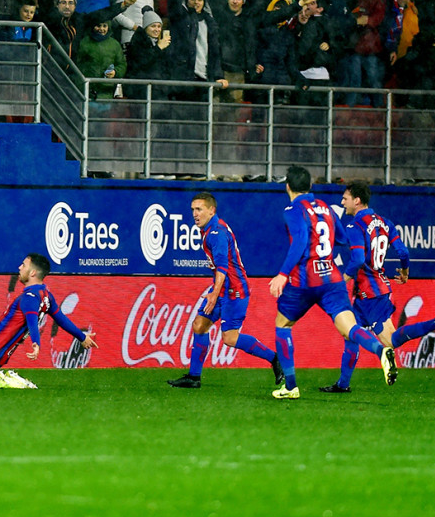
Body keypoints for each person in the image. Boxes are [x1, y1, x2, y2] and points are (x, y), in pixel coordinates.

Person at [267, 165, 398, 399]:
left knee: (282, 325)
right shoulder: (326, 208)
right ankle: (380, 350)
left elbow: (299, 241)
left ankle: (291, 386)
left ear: (288, 186)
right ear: (310, 186)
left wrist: (283, 274)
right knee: (350, 329)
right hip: (333, 278)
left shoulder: (293, 209)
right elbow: (341, 239)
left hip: (305, 279)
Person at [320, 181, 435, 392]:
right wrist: (405, 271)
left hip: (368, 293)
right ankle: (343, 384)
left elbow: (357, 259)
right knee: (356, 335)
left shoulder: (355, 226)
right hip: (381, 288)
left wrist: (342, 280)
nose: (342, 202)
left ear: (357, 201)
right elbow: (403, 252)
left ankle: (434, 324)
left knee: (373, 338)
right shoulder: (385, 223)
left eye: (345, 198)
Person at [168, 193, 285, 388]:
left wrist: (214, 294)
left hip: (234, 291)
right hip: (223, 289)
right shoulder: (210, 228)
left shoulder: (216, 233)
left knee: (229, 338)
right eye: (193, 210)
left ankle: (274, 358)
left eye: (199, 209)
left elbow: (222, 267)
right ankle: (194, 377)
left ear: (211, 210)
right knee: (199, 325)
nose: (195, 214)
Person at [0, 253, 98, 389]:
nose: (20, 268)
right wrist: (82, 337)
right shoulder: (46, 295)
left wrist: (36, 343)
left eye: (24, 265)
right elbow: (61, 319)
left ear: (33, 272)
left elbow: (32, 320)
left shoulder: (28, 297)